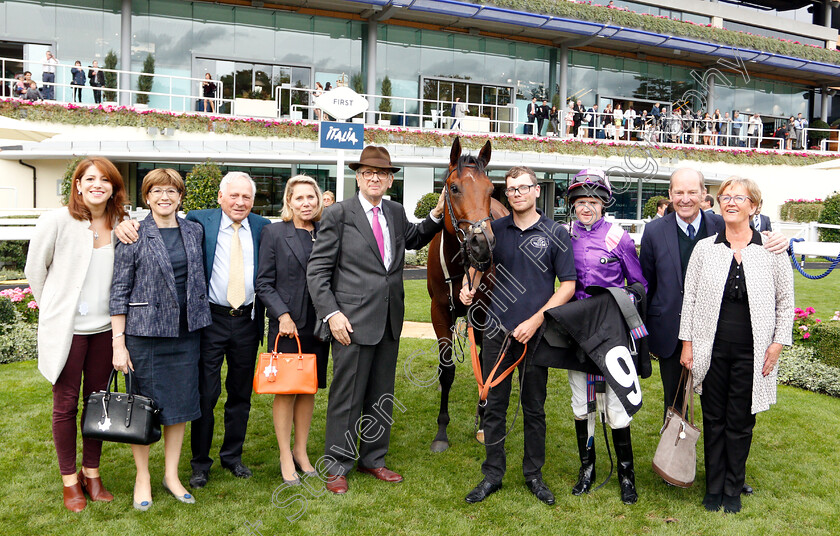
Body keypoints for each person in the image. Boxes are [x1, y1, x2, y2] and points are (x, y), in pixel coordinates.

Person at [115, 172, 271, 489]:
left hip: (247, 320)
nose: (240, 202)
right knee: (204, 394)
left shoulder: (263, 228)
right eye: (234, 195)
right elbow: (158, 222)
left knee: (240, 395)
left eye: (247, 197)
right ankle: (200, 464)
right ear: (220, 197)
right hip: (208, 321)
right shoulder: (201, 222)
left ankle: (233, 457)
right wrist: (123, 222)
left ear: (253, 201)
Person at [307, 146, 444, 494]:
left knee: (381, 395)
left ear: (390, 179)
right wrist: (332, 314)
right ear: (357, 176)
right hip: (349, 323)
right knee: (347, 397)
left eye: (381, 173)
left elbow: (413, 239)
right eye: (368, 172)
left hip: (388, 320)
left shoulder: (395, 212)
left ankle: (373, 459)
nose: (374, 178)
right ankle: (337, 465)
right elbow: (318, 271)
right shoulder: (338, 214)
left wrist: (438, 215)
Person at [460, 166, 576, 506]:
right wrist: (471, 287)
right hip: (496, 330)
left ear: (536, 191)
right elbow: (477, 265)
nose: (516, 194)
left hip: (535, 334)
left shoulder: (556, 233)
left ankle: (533, 474)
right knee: (493, 406)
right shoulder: (493, 230)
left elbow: (567, 285)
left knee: (534, 407)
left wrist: (537, 320)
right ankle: (492, 474)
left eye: (523, 188)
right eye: (510, 190)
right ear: (505, 195)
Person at [679, 177, 794, 514]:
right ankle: (713, 487)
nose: (730, 203)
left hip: (753, 352)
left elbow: (785, 304)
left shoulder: (771, 250)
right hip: (710, 350)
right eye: (724, 197)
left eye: (738, 198)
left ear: (754, 206)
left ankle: (733, 488)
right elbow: (691, 301)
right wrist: (687, 344)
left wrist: (777, 344)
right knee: (713, 419)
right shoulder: (705, 249)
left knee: (741, 421)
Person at [25, 157, 127, 512]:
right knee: (65, 405)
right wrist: (56, 307)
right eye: (90, 178)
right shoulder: (57, 221)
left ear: (114, 187)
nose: (98, 184)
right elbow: (35, 271)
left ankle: (92, 473)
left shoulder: (122, 224)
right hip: (68, 331)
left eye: (105, 180)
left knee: (96, 405)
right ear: (78, 185)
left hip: (105, 331)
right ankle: (70, 480)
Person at [111, 169, 211, 511]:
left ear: (181, 197)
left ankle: (171, 474)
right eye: (157, 191)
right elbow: (119, 289)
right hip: (146, 335)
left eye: (172, 191)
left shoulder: (194, 231)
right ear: (147, 196)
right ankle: (143, 476)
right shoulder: (133, 233)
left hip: (186, 334)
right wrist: (118, 342)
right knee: (143, 410)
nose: (165, 197)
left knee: (180, 407)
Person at [560, 169, 647, 504]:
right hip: (577, 333)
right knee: (582, 404)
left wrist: (618, 303)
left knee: (617, 405)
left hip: (612, 334)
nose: (586, 207)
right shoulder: (564, 236)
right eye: (581, 201)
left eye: (592, 201)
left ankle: (626, 476)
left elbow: (640, 285)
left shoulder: (619, 237)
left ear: (603, 204)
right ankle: (587, 470)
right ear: (573, 205)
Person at [256, 175, 330, 485]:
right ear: (289, 202)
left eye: (310, 197)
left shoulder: (326, 232)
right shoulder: (274, 233)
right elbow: (263, 282)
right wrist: (282, 315)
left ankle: (301, 451)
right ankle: (285, 455)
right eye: (299, 198)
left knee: (308, 388)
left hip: (320, 325)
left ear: (319, 200)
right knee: (287, 390)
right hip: (288, 326)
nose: (306, 203)